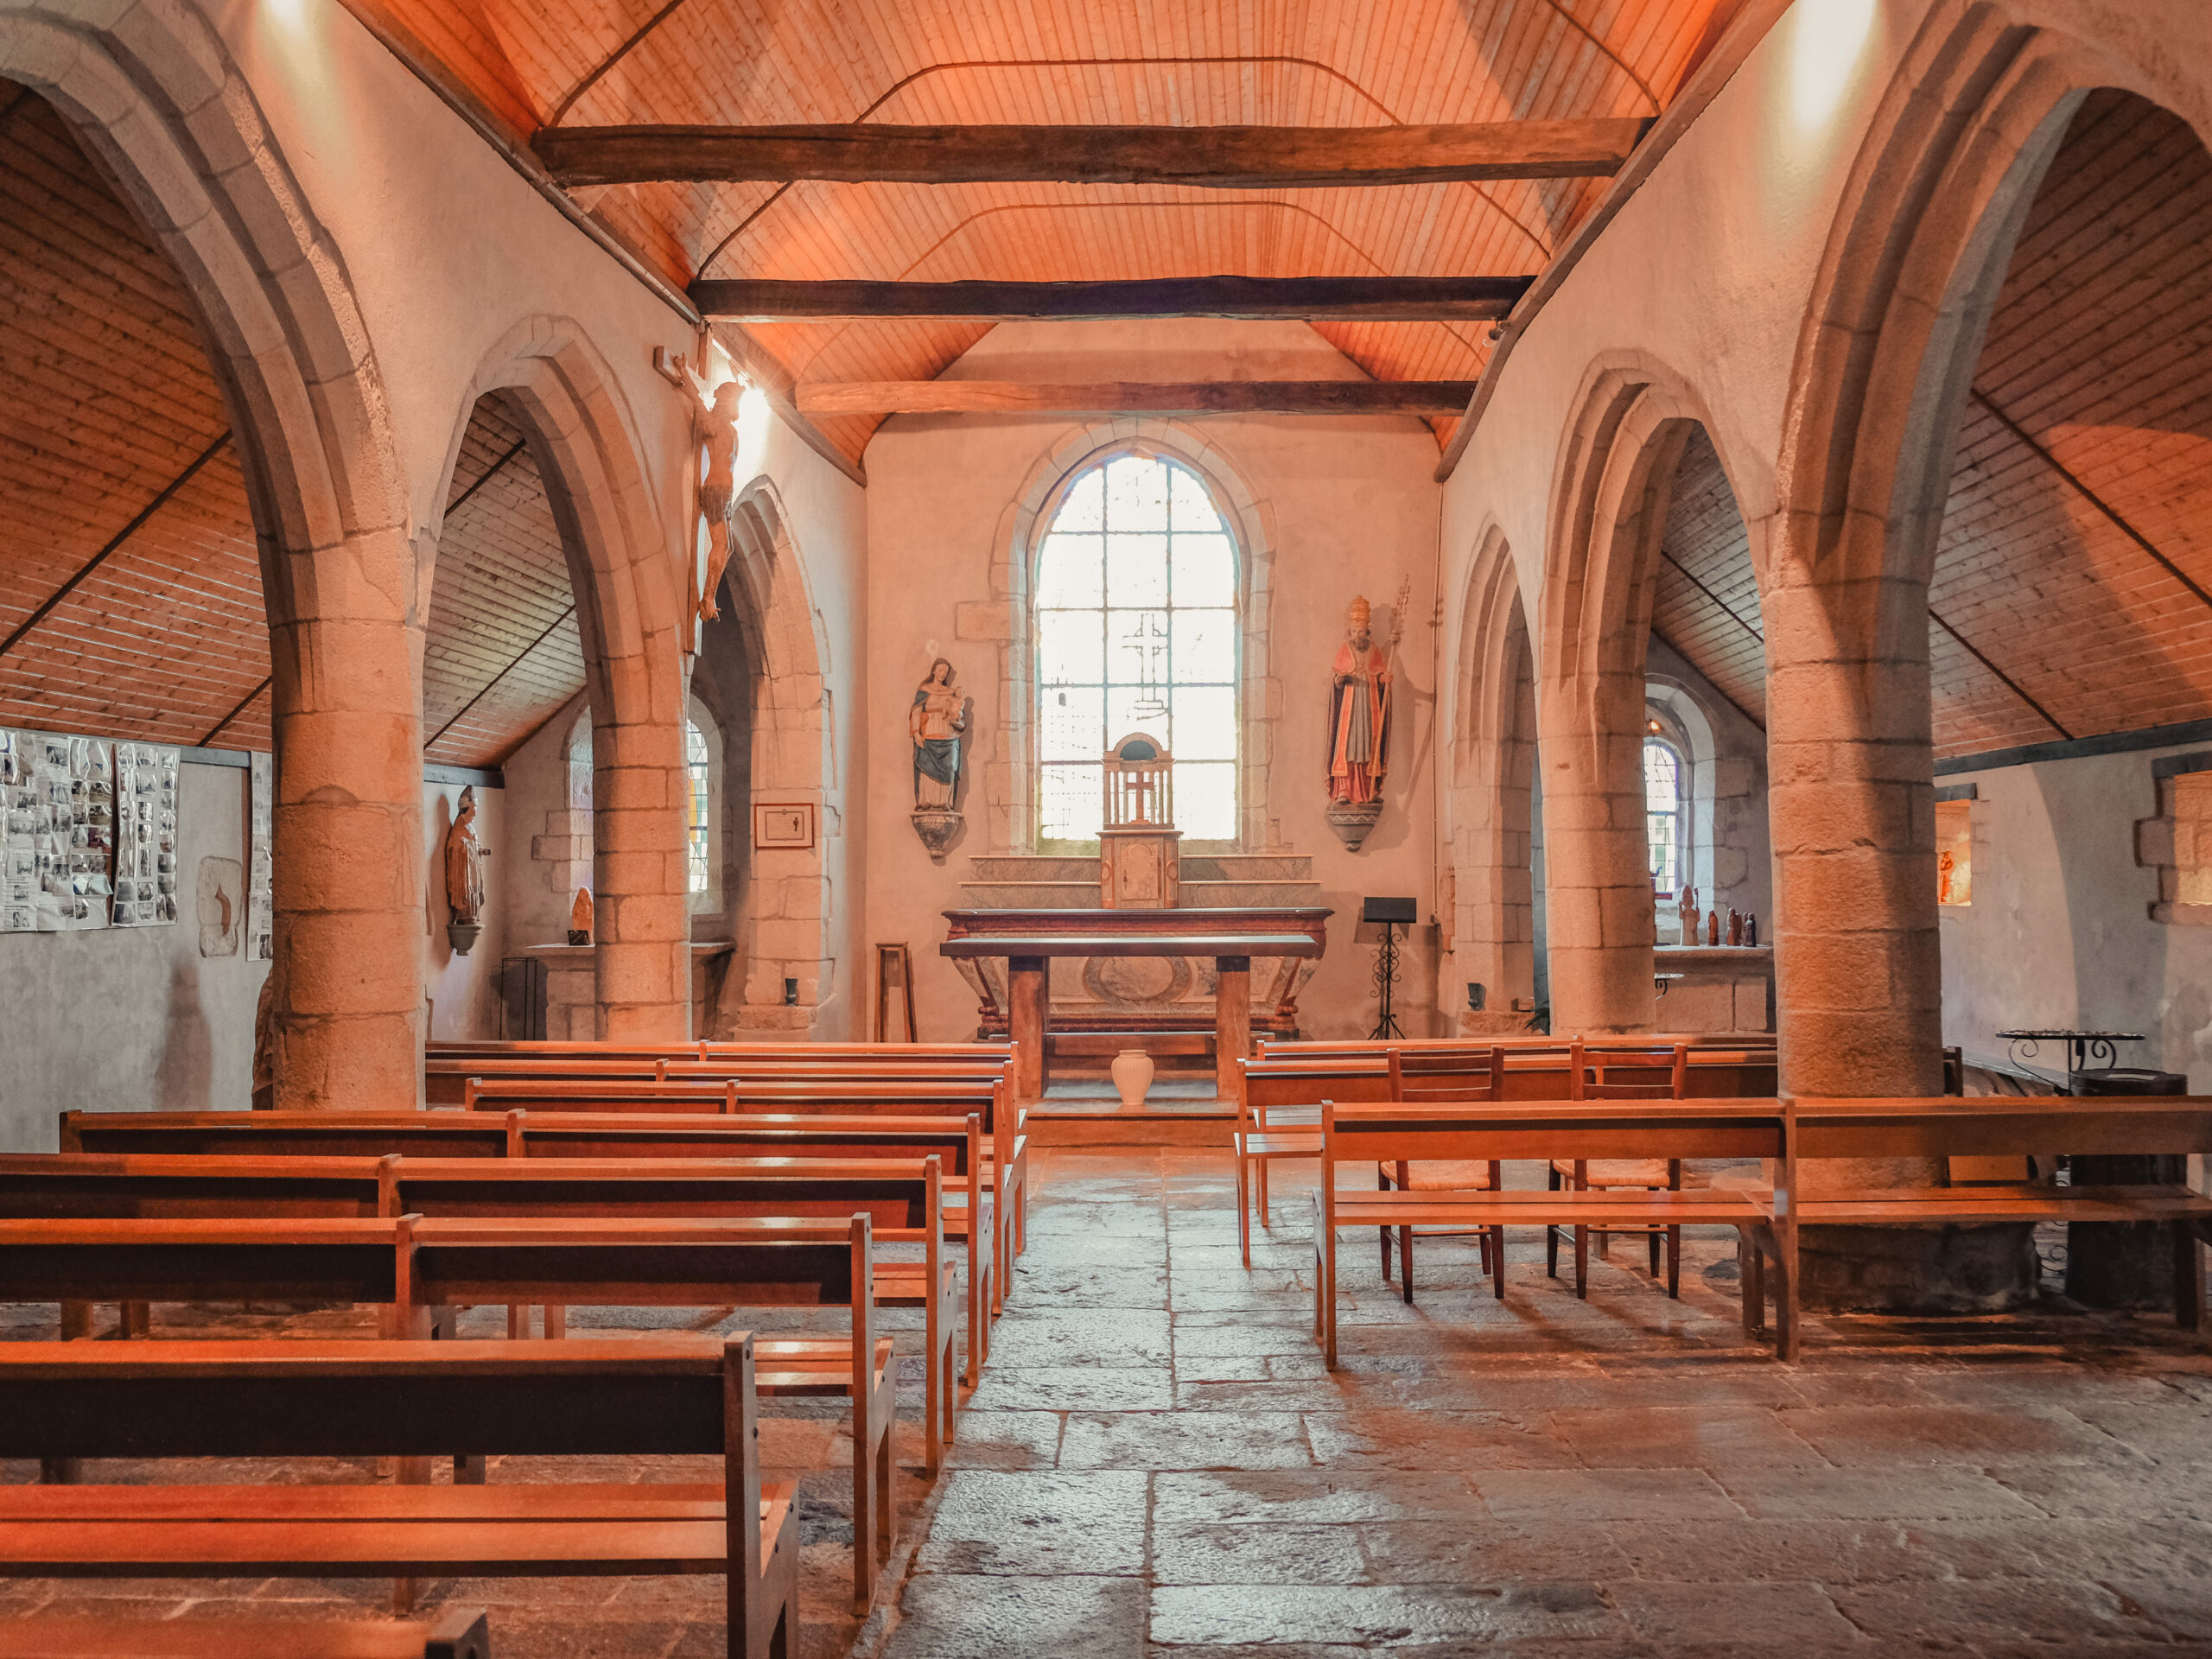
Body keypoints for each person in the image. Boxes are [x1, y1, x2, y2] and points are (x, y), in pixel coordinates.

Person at [671, 353, 744, 622]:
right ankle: (708, 598)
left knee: (730, 548)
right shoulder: (715, 425)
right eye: (735, 402)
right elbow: (697, 401)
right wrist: (683, 371)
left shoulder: (730, 429)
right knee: (720, 543)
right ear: (725, 404)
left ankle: (709, 596)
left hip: (726, 493)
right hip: (714, 491)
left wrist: (737, 376)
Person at [1327, 596, 1392, 804]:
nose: (1358, 635)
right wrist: (1340, 680)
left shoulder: (1374, 651)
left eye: (1361, 631)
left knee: (1368, 744)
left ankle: (1366, 790)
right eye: (1354, 631)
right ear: (1350, 631)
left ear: (1367, 632)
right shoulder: (1344, 650)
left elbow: (1380, 674)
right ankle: (1345, 790)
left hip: (1369, 703)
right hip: (1350, 705)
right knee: (1348, 746)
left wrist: (1385, 678)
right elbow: (1337, 681)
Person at [911, 658, 969, 809]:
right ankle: (926, 801)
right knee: (926, 764)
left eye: (946, 671)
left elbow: (958, 715)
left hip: (948, 735)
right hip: (929, 732)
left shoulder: (952, 693)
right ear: (934, 671)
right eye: (940, 670)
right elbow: (916, 712)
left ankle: (945, 801)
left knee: (950, 765)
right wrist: (916, 733)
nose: (943, 674)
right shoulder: (924, 690)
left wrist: (957, 722)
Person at [443, 785, 485, 925]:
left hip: (472, 872)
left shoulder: (470, 827)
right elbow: (453, 849)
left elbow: (473, 844)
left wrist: (479, 850)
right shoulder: (458, 829)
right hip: (464, 875)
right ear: (463, 810)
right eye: (472, 812)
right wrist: (465, 849)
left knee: (474, 892)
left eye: (475, 812)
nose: (474, 815)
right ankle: (465, 914)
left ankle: (472, 913)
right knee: (467, 896)